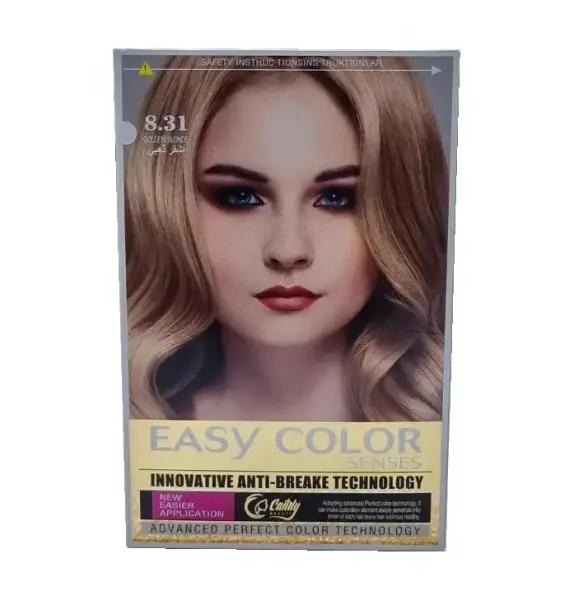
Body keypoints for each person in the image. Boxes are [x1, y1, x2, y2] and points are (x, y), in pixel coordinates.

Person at [125, 55, 448, 422]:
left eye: (337, 198)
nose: (288, 250)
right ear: (171, 205)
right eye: (241, 197)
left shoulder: (444, 429)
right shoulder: (130, 427)